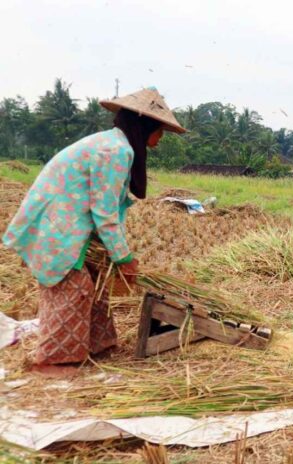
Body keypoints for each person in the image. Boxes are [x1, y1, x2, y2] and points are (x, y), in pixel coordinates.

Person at [2, 87, 185, 374]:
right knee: (75, 289)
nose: (160, 139)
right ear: (144, 126)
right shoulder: (115, 151)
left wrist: (116, 257)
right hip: (60, 229)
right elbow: (104, 213)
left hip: (70, 227)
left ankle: (100, 345)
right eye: (159, 130)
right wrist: (125, 259)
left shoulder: (112, 145)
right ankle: (54, 363)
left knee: (98, 283)